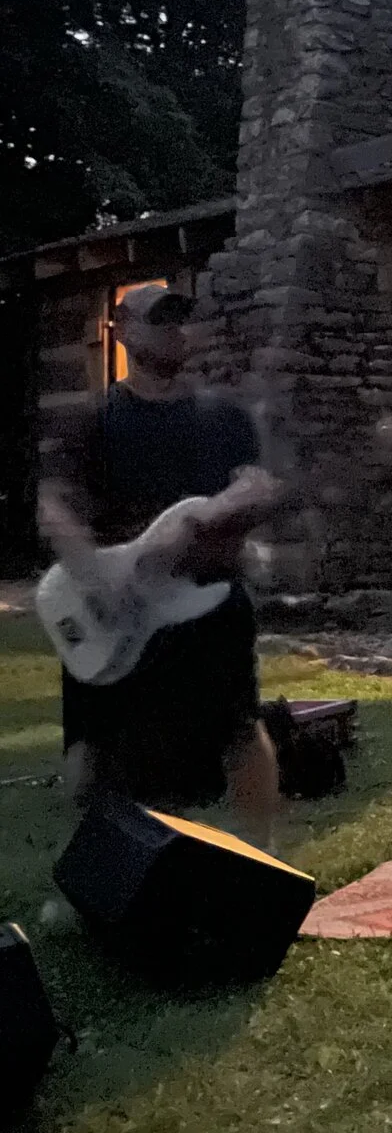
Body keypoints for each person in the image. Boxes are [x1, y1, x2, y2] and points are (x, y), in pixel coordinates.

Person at [37, 285, 284, 847]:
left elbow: (250, 497)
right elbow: (55, 506)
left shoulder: (225, 418)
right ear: (124, 329)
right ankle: (97, 866)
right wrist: (99, 577)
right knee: (95, 747)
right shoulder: (93, 419)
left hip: (207, 595)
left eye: (182, 320)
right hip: (111, 607)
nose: (176, 331)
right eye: (160, 320)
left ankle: (265, 860)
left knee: (241, 728)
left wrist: (247, 503)